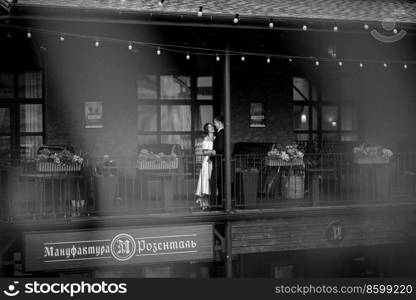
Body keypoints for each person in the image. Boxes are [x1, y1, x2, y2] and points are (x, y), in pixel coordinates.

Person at [195, 123, 215, 210]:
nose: (212, 128)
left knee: (212, 182)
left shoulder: (215, 138)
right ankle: (204, 203)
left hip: (213, 161)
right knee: (206, 181)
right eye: (210, 127)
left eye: (212, 126)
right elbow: (204, 152)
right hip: (207, 161)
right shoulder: (206, 139)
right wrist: (212, 152)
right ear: (207, 129)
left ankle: (211, 203)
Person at [210, 116, 225, 207]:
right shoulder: (221, 133)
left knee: (213, 182)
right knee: (219, 183)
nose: (214, 124)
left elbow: (219, 148)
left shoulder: (221, 133)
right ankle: (220, 202)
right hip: (220, 161)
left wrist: (212, 153)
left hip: (218, 161)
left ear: (219, 122)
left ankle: (213, 203)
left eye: (215, 122)